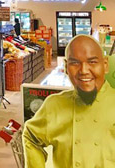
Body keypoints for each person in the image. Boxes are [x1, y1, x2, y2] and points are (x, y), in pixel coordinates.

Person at [22, 35, 115, 167]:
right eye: (75, 63)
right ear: (66, 67)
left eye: (92, 62)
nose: (83, 70)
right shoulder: (54, 105)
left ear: (105, 65)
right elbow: (31, 137)